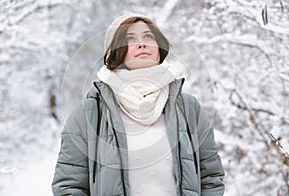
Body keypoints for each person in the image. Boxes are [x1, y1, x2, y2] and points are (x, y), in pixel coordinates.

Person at [52, 13, 225, 196]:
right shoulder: (89, 114)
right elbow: (68, 186)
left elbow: (211, 177)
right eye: (130, 38)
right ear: (115, 52)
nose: (142, 43)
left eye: (148, 36)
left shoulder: (189, 108)